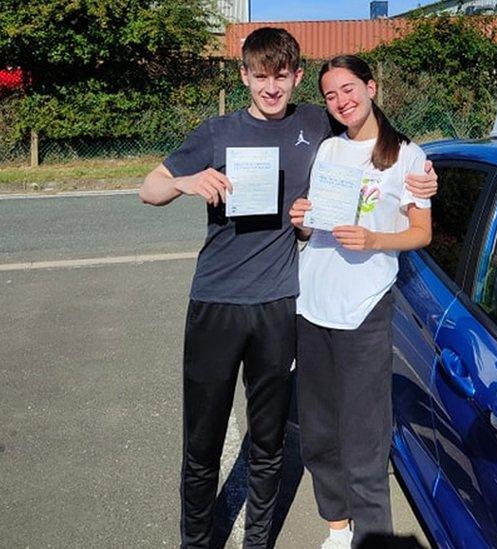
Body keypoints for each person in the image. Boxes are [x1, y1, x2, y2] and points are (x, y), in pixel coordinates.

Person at [138, 29, 436, 548]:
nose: (271, 88)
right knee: (203, 442)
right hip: (218, 302)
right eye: (260, 76)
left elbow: (379, 136)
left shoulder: (315, 122)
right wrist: (186, 182)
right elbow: (149, 188)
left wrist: (426, 175)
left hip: (279, 303)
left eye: (282, 76)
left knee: (270, 442)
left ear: (296, 78)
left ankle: (258, 541)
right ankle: (196, 541)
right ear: (243, 76)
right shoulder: (215, 131)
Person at [288, 54, 432, 549]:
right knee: (320, 431)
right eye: (330, 95)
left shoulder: (407, 157)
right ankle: (337, 526)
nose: (341, 101)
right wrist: (301, 218)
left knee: (366, 436)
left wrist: (374, 241)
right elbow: (312, 228)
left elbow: (421, 232)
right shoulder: (328, 150)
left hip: (364, 308)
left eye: (348, 89)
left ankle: (371, 536)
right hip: (312, 304)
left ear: (371, 87)